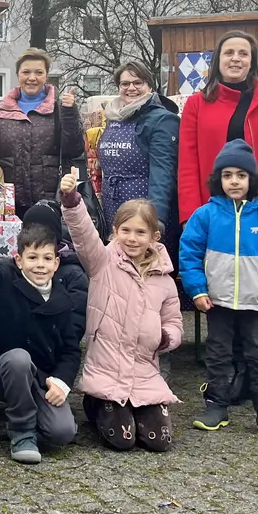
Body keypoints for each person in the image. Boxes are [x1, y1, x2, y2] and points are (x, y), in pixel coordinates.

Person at [178, 30, 258, 425]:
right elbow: (188, 163)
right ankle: (233, 378)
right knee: (223, 300)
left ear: (253, 61)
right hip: (215, 215)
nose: (235, 58)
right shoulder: (197, 105)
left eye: (243, 53)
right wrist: (191, 213)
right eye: (228, 52)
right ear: (217, 60)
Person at [180, 140, 258, 441]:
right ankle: (216, 406)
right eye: (227, 174)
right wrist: (197, 289)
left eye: (241, 175)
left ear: (252, 180)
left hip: (256, 302)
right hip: (216, 301)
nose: (234, 181)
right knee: (218, 353)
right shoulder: (205, 216)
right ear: (218, 179)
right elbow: (189, 253)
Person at [61, 170, 181, 453]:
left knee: (158, 442)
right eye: (125, 231)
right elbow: (82, 233)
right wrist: (71, 200)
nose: (132, 239)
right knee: (122, 441)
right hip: (107, 371)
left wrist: (165, 338)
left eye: (141, 232)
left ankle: (144, 409)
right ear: (115, 232)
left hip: (144, 371)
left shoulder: (164, 278)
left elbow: (175, 321)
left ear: (154, 236)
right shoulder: (102, 262)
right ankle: (96, 402)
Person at [0, 217, 82, 465]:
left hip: (41, 377)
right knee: (19, 359)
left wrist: (61, 383)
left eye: (47, 258)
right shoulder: (2, 281)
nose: (40, 265)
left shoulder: (64, 299)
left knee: (63, 432)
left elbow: (71, 350)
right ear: (19, 260)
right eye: (33, 257)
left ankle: (31, 411)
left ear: (57, 263)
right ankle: (22, 431)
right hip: (2, 372)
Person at [0, 48, 86, 216]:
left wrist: (70, 112)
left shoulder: (59, 109)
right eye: (26, 72)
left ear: (46, 76)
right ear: (18, 74)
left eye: (39, 72)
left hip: (50, 200)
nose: (32, 78)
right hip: (10, 201)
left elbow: (74, 149)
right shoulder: (3, 110)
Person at [96, 62, 178, 240]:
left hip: (143, 214)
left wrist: (156, 220)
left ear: (149, 85)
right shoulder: (114, 116)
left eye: (138, 83)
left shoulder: (162, 120)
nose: (131, 88)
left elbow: (163, 173)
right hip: (114, 209)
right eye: (125, 84)